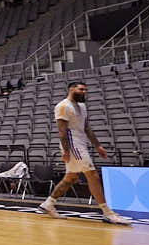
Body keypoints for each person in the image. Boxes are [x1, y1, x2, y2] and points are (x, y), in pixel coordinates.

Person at [38, 81, 131, 224]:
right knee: (92, 175)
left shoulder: (82, 106)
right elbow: (62, 132)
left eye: (86, 90)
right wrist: (66, 151)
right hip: (73, 144)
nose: (84, 92)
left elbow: (87, 128)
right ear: (71, 89)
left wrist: (98, 146)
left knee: (71, 178)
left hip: (81, 143)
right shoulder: (63, 106)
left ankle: (48, 204)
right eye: (81, 89)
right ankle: (107, 213)